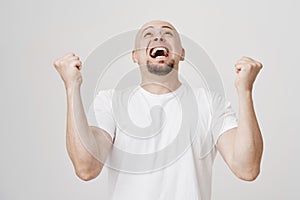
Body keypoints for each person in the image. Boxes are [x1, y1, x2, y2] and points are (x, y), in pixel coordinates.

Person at [53, 20, 264, 200]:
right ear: (135, 56)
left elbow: (246, 168)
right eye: (148, 34)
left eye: (167, 34)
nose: (159, 37)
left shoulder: (208, 103)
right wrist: (71, 87)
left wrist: (245, 90)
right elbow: (86, 167)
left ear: (181, 54)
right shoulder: (110, 102)